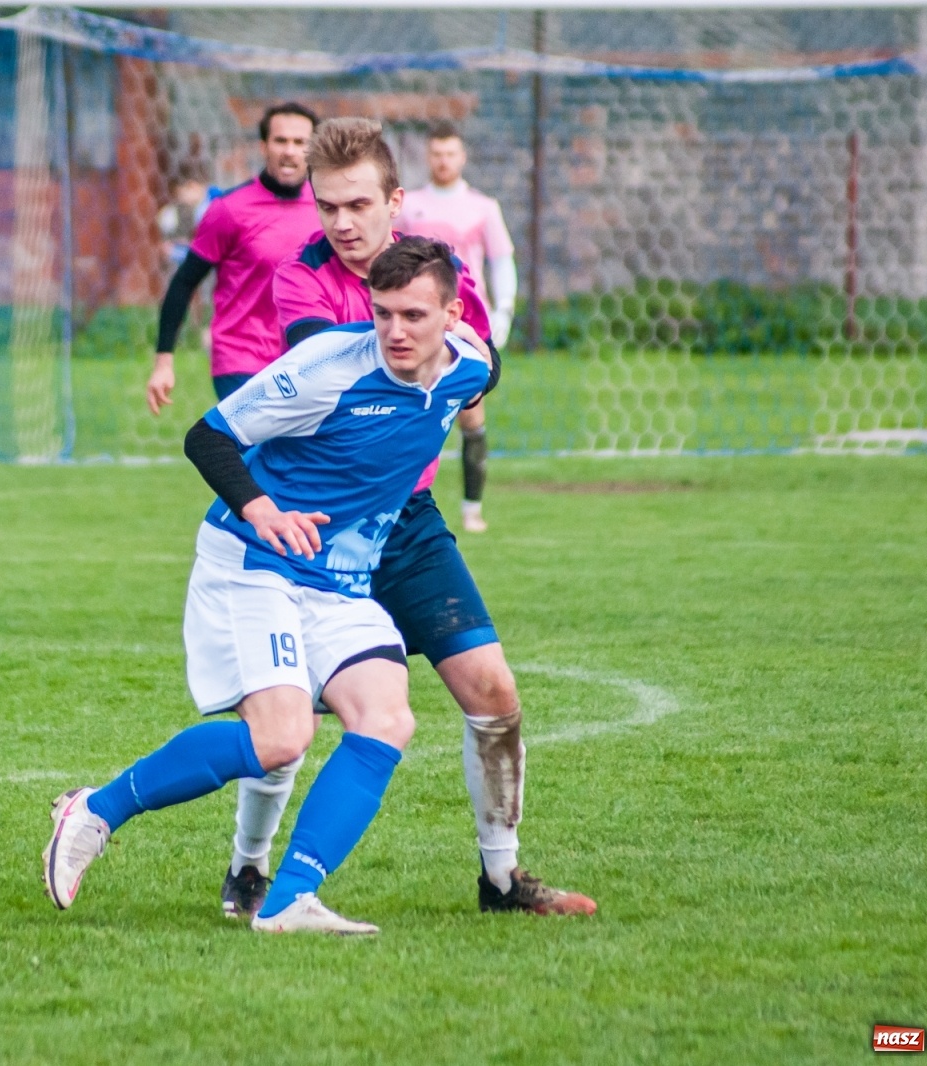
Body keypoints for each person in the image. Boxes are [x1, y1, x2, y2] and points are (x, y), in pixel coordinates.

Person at [45, 239, 496, 935]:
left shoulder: (467, 364)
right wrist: (264, 510)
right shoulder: (326, 368)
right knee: (280, 741)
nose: (396, 332)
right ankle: (97, 810)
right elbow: (207, 437)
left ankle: (287, 901)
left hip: (341, 581)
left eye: (413, 315)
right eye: (382, 314)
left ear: (453, 315)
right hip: (254, 561)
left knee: (387, 719)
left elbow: (487, 371)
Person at [218, 116, 595, 922]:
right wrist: (431, 334)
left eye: (358, 204)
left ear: (397, 200)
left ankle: (501, 881)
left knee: (493, 690)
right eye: (327, 207)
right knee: (289, 720)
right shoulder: (303, 279)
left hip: (407, 521)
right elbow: (348, 372)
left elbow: (485, 363)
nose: (342, 223)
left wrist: (471, 351)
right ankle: (250, 866)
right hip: (320, 524)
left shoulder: (439, 267)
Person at [145, 103, 320, 413]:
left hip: (304, 359)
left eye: (299, 142)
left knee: (297, 460)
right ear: (264, 146)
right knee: (259, 455)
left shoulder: (328, 209)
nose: (290, 151)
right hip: (242, 358)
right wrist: (163, 362)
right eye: (281, 141)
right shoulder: (230, 209)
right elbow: (185, 281)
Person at [401, 121, 518, 534]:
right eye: (436, 153)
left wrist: (503, 310)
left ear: (462, 157)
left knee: (471, 412)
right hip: (418, 323)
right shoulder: (408, 205)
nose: (443, 160)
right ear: (427, 156)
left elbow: (502, 259)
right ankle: (404, 496)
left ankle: (472, 509)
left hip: (466, 322)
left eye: (450, 153)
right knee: (412, 406)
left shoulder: (483, 207)